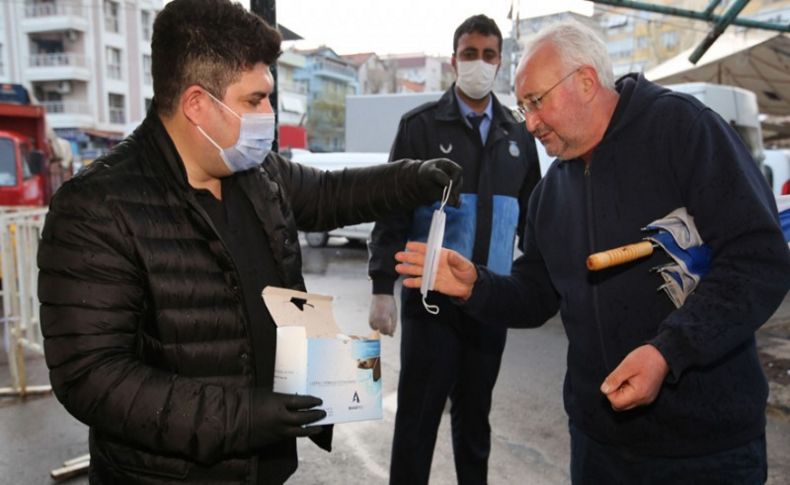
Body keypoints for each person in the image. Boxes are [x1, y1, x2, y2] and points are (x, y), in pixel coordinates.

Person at [36, 0, 461, 483]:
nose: (270, 114)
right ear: (197, 105)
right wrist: (242, 417)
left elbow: (331, 193)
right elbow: (92, 377)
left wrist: (415, 177)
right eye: (255, 100)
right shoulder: (97, 207)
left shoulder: (255, 171)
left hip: (262, 465)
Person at [394, 20, 790, 484]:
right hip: (598, 445)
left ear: (585, 81)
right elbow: (538, 292)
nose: (532, 123)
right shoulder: (550, 193)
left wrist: (668, 352)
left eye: (537, 102)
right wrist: (476, 286)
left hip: (704, 450)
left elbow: (758, 259)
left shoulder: (683, 130)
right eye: (523, 109)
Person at [367, 14, 541, 485]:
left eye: (488, 55)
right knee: (418, 422)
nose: (478, 63)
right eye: (469, 54)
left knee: (475, 423)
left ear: (500, 63)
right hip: (431, 306)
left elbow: (535, 220)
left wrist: (547, 281)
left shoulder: (519, 135)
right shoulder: (420, 128)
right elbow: (392, 210)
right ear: (453, 61)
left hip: (490, 304)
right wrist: (383, 285)